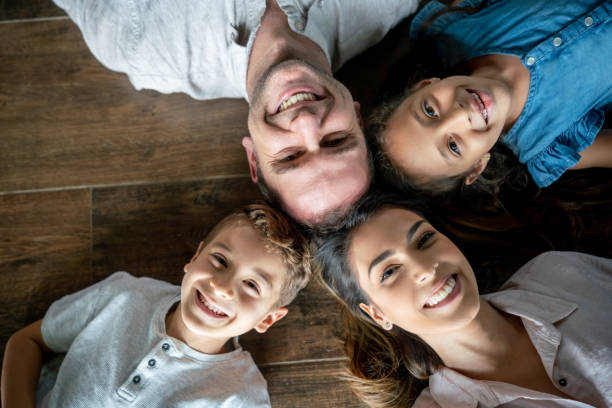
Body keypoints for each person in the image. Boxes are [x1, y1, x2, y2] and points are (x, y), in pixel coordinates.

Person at [51, 0, 419, 226]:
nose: (306, 123)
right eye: (336, 139)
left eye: (290, 156)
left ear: (254, 158)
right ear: (357, 116)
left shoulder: (140, 46)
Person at [1, 204, 313, 407]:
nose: (221, 287)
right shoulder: (124, 295)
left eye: (251, 285)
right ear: (194, 258)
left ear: (268, 319)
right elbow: (26, 341)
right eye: (219, 260)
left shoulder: (241, 398)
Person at [316, 194, 612, 407]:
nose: (425, 269)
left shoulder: (559, 273)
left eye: (423, 240)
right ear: (377, 315)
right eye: (390, 272)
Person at [367, 0, 612, 197]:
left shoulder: (461, 25)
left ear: (425, 84)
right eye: (453, 146)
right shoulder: (548, 145)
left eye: (430, 110)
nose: (461, 114)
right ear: (477, 166)